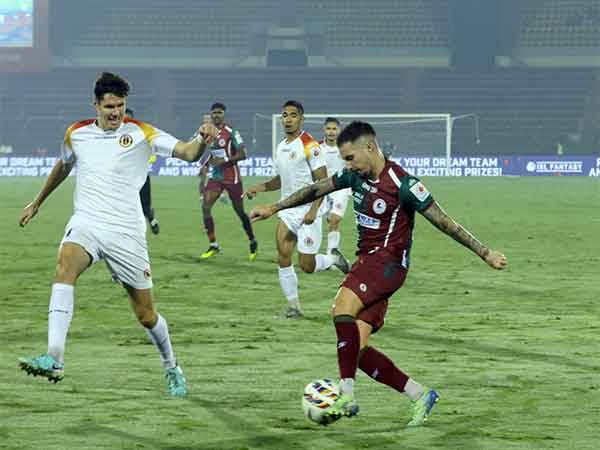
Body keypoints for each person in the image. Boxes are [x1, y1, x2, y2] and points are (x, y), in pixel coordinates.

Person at [250, 121, 508, 424]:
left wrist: (485, 252)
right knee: (355, 349)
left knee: (340, 310)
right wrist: (275, 207)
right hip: (368, 264)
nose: (347, 165)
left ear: (370, 148)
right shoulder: (354, 176)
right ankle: (420, 394)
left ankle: (345, 395)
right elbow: (317, 188)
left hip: (387, 264)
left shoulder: (403, 183)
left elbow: (445, 222)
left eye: (350, 158)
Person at [18, 72, 218, 397]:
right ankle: (55, 357)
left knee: (145, 314)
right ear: (95, 104)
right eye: (109, 106)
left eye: (121, 106)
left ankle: (171, 366)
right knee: (65, 264)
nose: (116, 113)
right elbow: (64, 165)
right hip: (88, 223)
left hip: (127, 233)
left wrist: (202, 138)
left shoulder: (141, 133)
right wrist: (37, 202)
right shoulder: (76, 134)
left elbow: (187, 152)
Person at [245, 100, 350, 318]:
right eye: (285, 115)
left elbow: (323, 182)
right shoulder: (281, 146)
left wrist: (313, 210)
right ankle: (294, 307)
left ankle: (333, 259)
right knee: (283, 255)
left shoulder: (310, 146)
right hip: (287, 209)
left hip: (308, 211)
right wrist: (260, 187)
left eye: (293, 115)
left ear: (301, 118)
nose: (288, 119)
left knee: (307, 266)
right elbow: (281, 180)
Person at [198, 102, 258, 261]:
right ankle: (213, 245)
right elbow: (211, 154)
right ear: (211, 115)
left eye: (219, 112)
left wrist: (225, 160)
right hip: (216, 177)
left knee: (239, 212)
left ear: (224, 114)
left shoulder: (232, 132)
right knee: (205, 207)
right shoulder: (207, 133)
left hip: (233, 178)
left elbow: (243, 154)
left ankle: (252, 240)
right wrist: (205, 165)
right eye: (214, 113)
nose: (216, 115)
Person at [126, 107, 160, 235]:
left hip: (141, 176)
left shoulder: (141, 135)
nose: (126, 120)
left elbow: (151, 149)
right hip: (124, 178)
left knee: (145, 206)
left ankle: (152, 220)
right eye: (125, 117)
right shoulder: (113, 136)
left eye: (129, 118)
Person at [319, 117, 351, 254]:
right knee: (324, 221)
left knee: (335, 220)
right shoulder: (317, 148)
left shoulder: (345, 148)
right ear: (324, 130)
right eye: (328, 128)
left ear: (339, 130)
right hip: (323, 189)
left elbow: (353, 165)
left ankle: (332, 256)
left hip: (341, 189)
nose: (331, 132)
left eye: (334, 129)